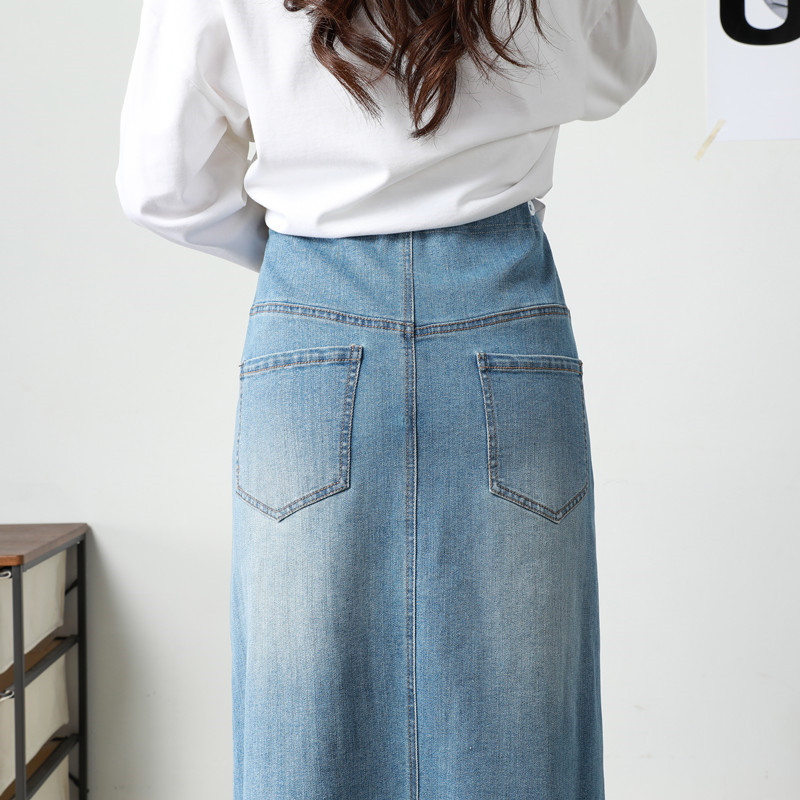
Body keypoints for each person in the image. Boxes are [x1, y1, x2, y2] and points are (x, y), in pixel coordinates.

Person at [115, 1, 656, 798]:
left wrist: (305, 260)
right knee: (523, 697)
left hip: (312, 317)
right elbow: (619, 70)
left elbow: (164, 186)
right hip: (504, 309)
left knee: (301, 704)